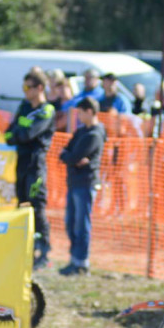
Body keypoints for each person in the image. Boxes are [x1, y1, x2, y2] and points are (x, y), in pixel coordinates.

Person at [6, 69, 56, 268]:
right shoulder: (24, 106)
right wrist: (19, 134)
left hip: (36, 165)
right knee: (22, 203)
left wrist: (19, 134)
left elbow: (28, 134)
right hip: (22, 162)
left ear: (40, 88)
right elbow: (9, 134)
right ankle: (25, 250)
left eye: (28, 87)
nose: (25, 91)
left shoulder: (47, 110)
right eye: (23, 86)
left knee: (37, 206)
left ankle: (43, 253)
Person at [58, 97, 105, 276]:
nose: (78, 116)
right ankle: (74, 260)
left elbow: (72, 156)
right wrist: (71, 158)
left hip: (85, 183)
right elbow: (66, 153)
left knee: (81, 225)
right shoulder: (81, 132)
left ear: (90, 112)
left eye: (81, 112)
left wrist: (71, 157)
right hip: (74, 182)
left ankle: (81, 262)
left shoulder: (94, 134)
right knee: (71, 223)